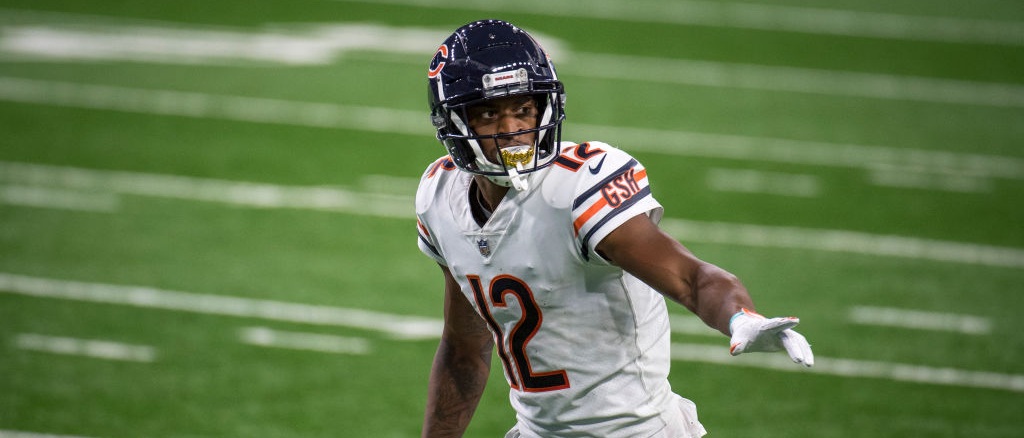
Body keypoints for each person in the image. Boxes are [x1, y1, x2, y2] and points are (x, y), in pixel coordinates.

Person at [416, 19, 814, 438]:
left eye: (524, 110)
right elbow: (463, 351)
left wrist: (739, 316)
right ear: (453, 121)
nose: (513, 131)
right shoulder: (440, 196)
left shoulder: (577, 188)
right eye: (489, 114)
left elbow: (691, 278)